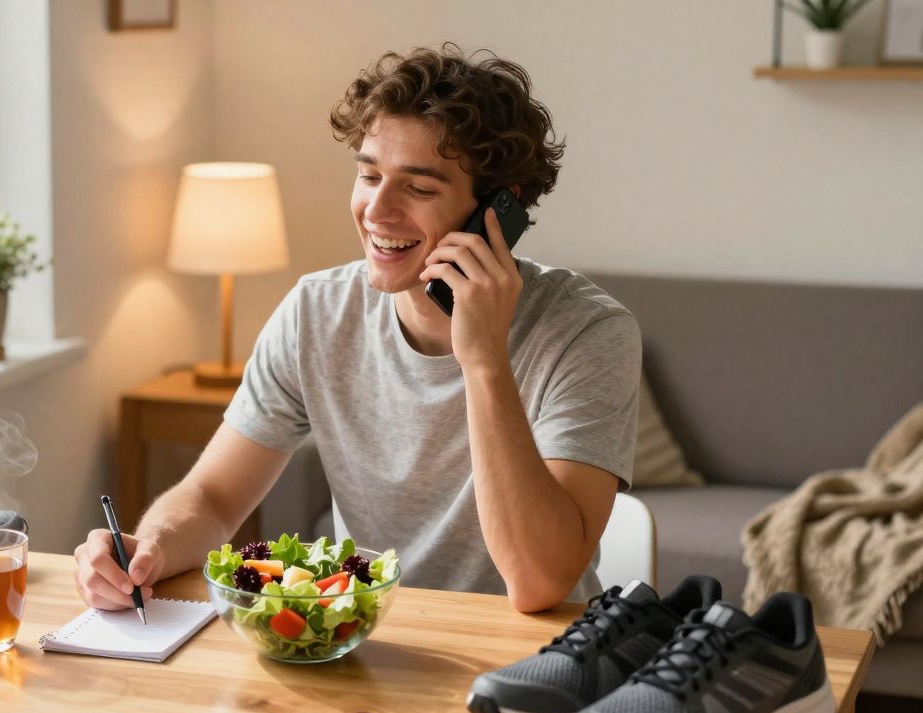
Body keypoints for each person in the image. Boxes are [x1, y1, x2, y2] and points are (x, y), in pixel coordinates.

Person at [74, 43, 641, 613]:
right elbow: (213, 499)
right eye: (369, 175)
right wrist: (148, 550)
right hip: (362, 642)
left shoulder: (587, 332)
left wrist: (485, 359)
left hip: (527, 664)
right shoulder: (316, 312)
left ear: (497, 210)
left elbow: (540, 581)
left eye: (418, 188)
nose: (377, 211)